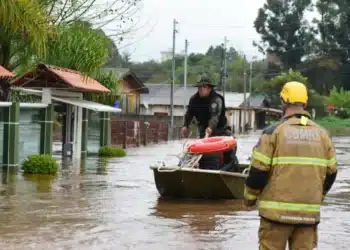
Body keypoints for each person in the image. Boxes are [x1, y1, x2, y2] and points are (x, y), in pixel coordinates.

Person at [243, 81, 337, 250]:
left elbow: (258, 171)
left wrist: (249, 199)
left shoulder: (272, 132)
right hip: (308, 217)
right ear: (305, 103)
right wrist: (318, 197)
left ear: (283, 102)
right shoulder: (323, 135)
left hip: (275, 217)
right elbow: (332, 173)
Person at [180, 73, 238, 170]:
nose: (201, 89)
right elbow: (189, 113)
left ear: (209, 88)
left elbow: (214, 118)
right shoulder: (194, 100)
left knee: (226, 157)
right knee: (200, 157)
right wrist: (185, 126)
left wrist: (209, 130)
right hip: (204, 132)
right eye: (199, 87)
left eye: (204, 87)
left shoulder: (216, 99)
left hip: (221, 132)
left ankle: (229, 169)